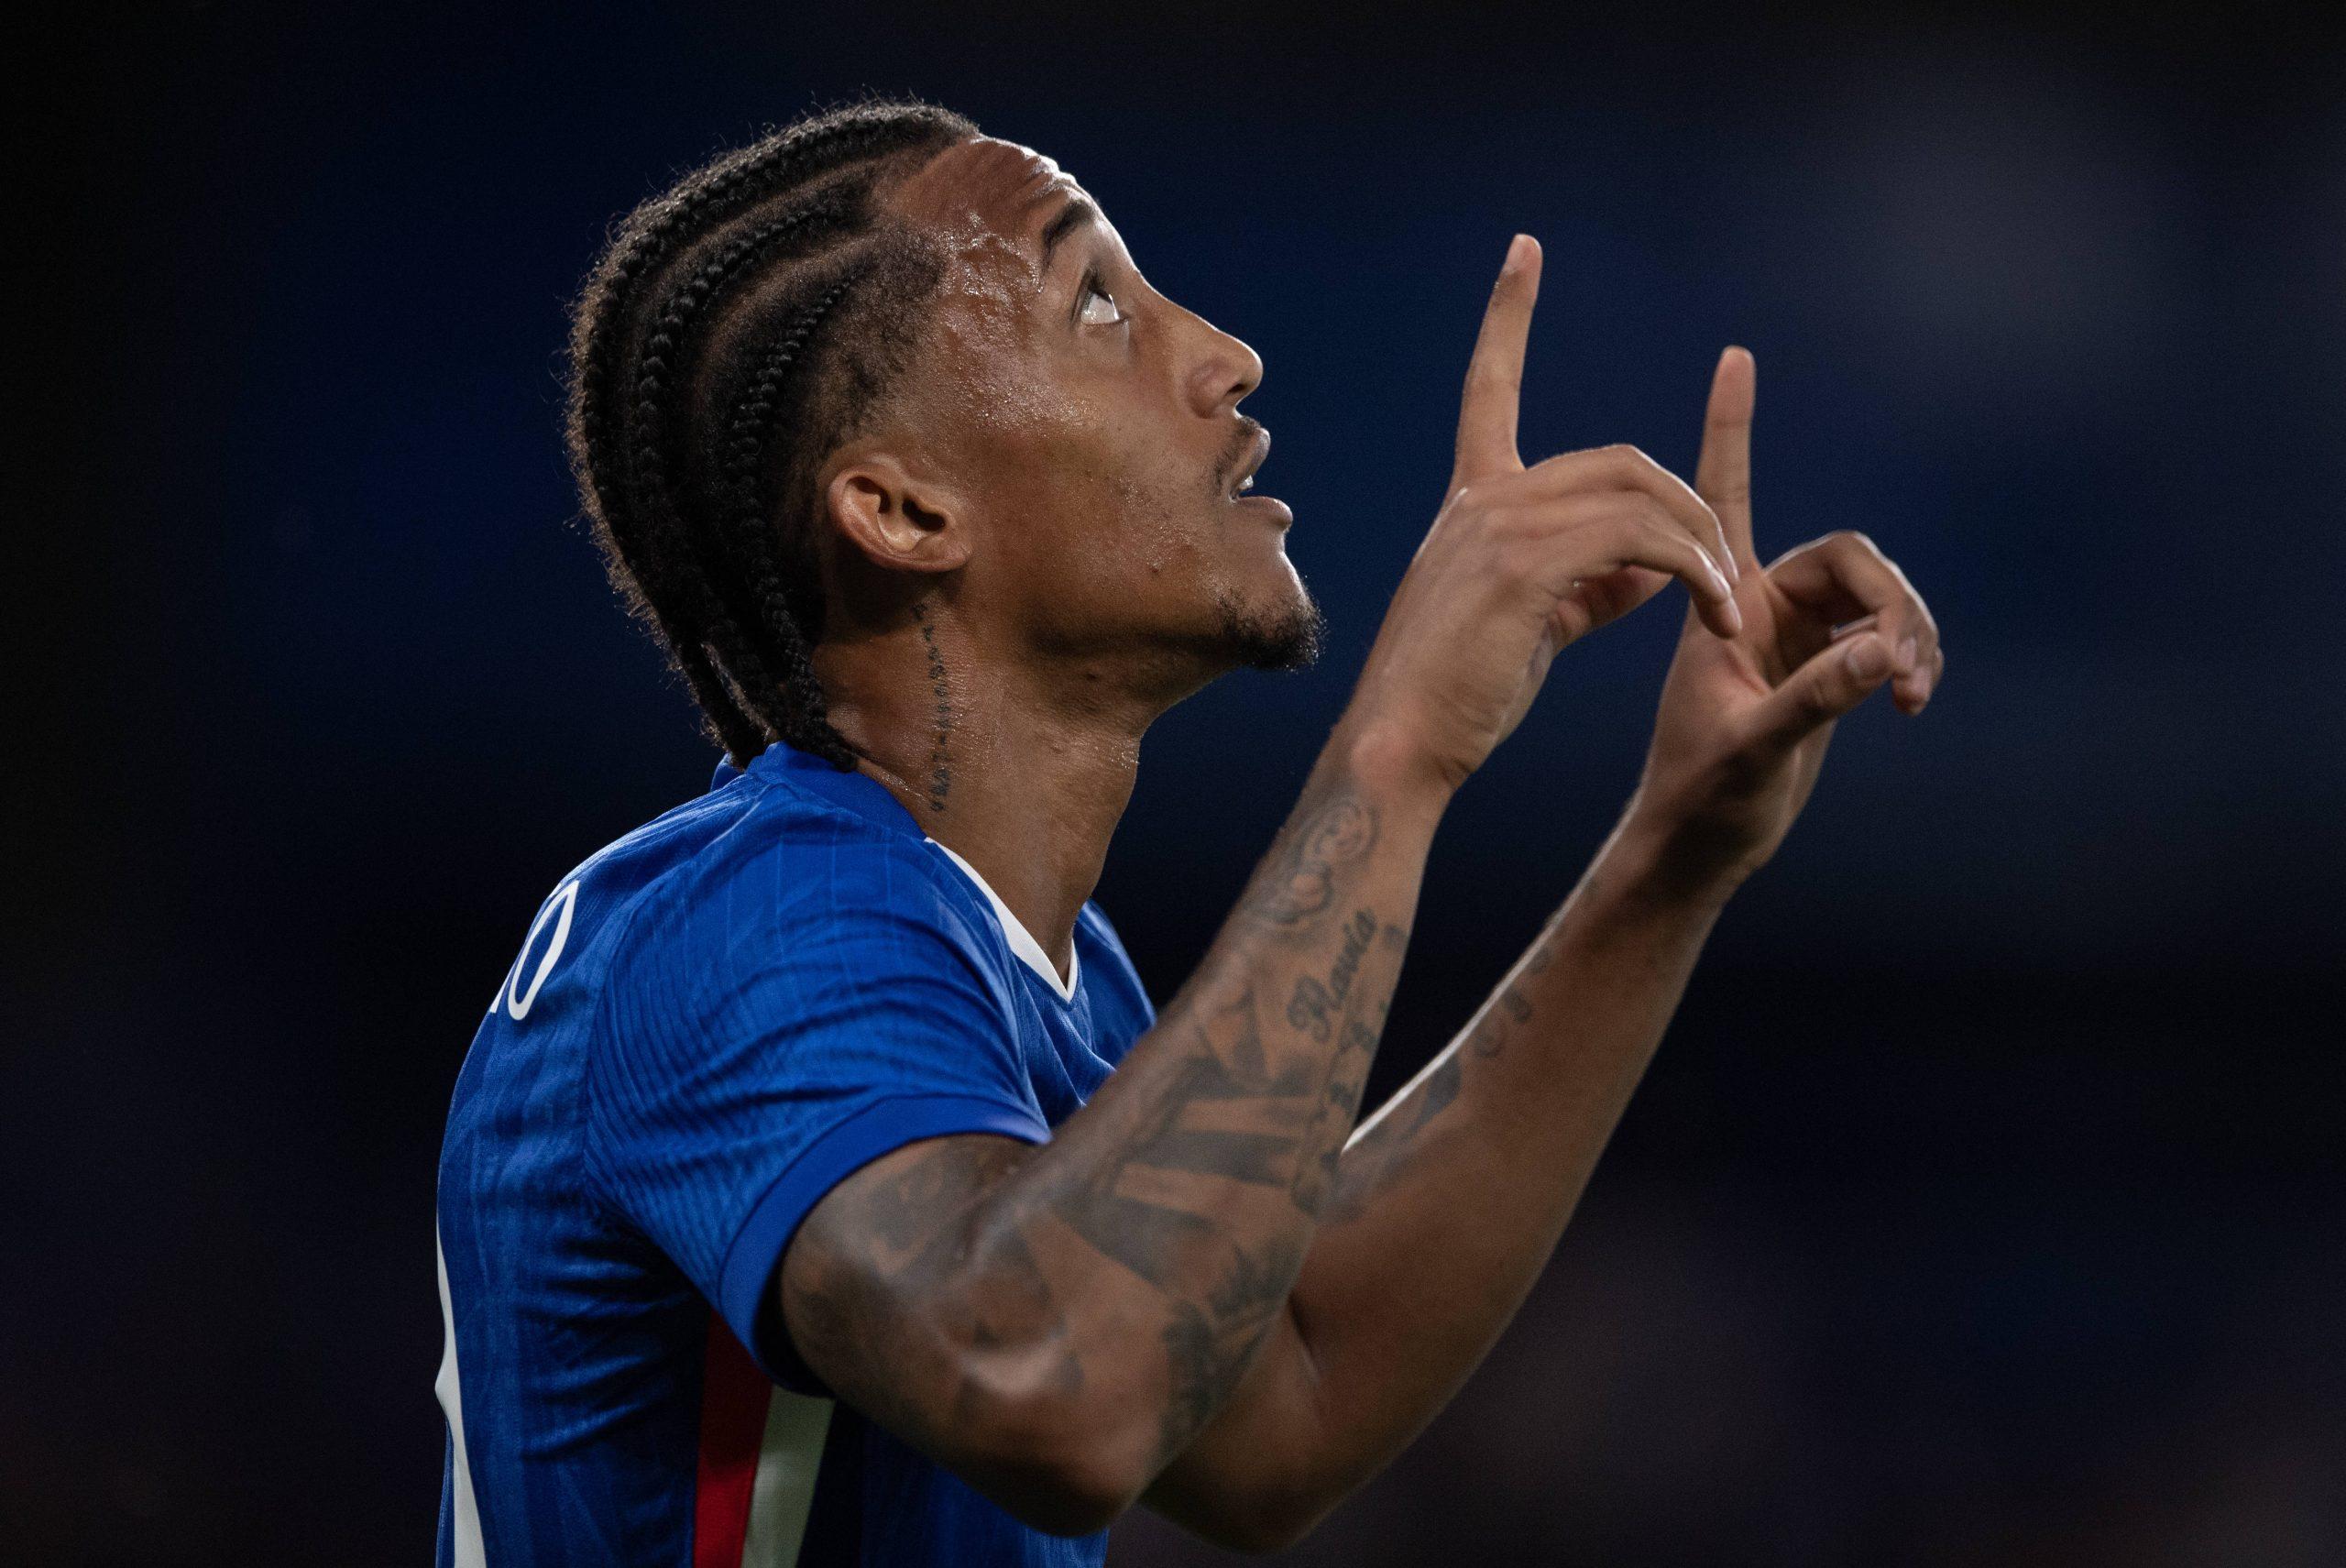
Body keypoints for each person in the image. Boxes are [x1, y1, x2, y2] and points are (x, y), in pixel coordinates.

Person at [433, 97, 1943, 1567]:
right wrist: (1401, 744)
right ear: (900, 510)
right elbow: (1055, 1390)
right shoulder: (734, 928)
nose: (1224, 356)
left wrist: (1675, 854)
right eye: (1095, 304)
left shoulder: (1036, 970)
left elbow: (1289, 1397)